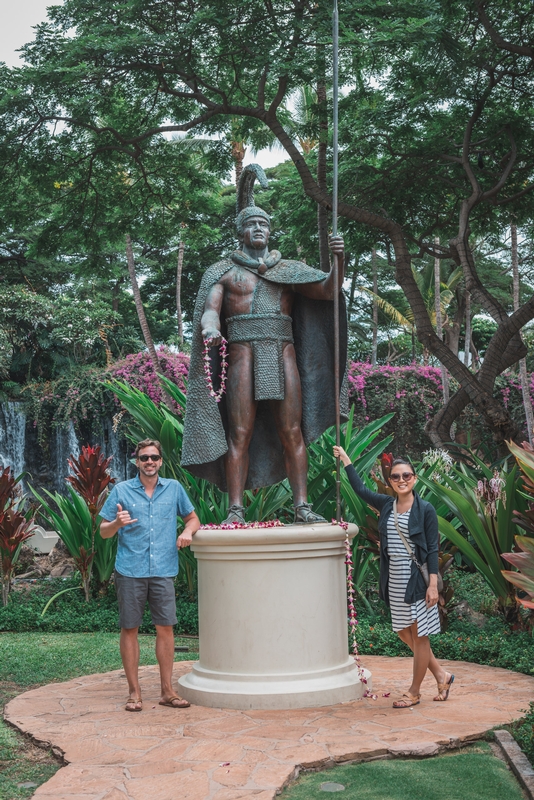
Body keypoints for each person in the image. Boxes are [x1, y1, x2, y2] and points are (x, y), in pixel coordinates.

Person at [182, 164, 348, 525]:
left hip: (282, 352)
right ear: (241, 231)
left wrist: (339, 259)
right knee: (239, 432)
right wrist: (211, 329)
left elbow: (328, 289)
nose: (259, 229)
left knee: (293, 431)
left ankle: (302, 506)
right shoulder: (224, 272)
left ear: (270, 232)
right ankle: (236, 510)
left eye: (264, 224)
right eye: (252, 224)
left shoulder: (286, 270)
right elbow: (210, 312)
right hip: (242, 354)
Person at [333, 445, 454, 708]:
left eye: (406, 476)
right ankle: (442, 676)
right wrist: (346, 460)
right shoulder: (387, 504)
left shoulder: (426, 510)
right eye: (396, 477)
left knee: (420, 635)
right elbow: (361, 491)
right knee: (403, 631)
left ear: (415, 478)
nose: (401, 480)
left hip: (418, 579)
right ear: (390, 481)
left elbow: (433, 548)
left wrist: (433, 584)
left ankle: (414, 692)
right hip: (395, 577)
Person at [100, 439, 200, 712]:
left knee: (165, 628)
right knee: (129, 628)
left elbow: (193, 518)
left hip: (163, 569)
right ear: (137, 462)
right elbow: (103, 531)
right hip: (130, 570)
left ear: (160, 461)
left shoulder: (174, 489)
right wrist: (116, 523)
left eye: (154, 457)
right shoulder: (121, 491)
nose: (149, 462)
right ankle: (134, 693)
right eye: (144, 458)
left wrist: (187, 531)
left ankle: (167, 692)